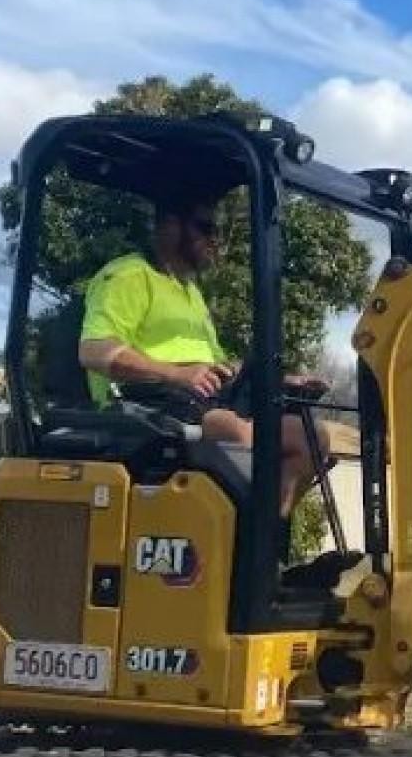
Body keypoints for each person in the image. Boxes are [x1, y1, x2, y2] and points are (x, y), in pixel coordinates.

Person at [77, 194, 328, 520]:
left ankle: (260, 536)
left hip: (202, 402)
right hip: (147, 408)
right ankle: (242, 533)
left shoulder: (190, 293)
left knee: (310, 437)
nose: (216, 239)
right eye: (206, 228)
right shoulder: (129, 277)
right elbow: (94, 351)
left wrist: (278, 381)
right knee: (234, 432)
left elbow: (218, 367)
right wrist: (176, 374)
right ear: (171, 226)